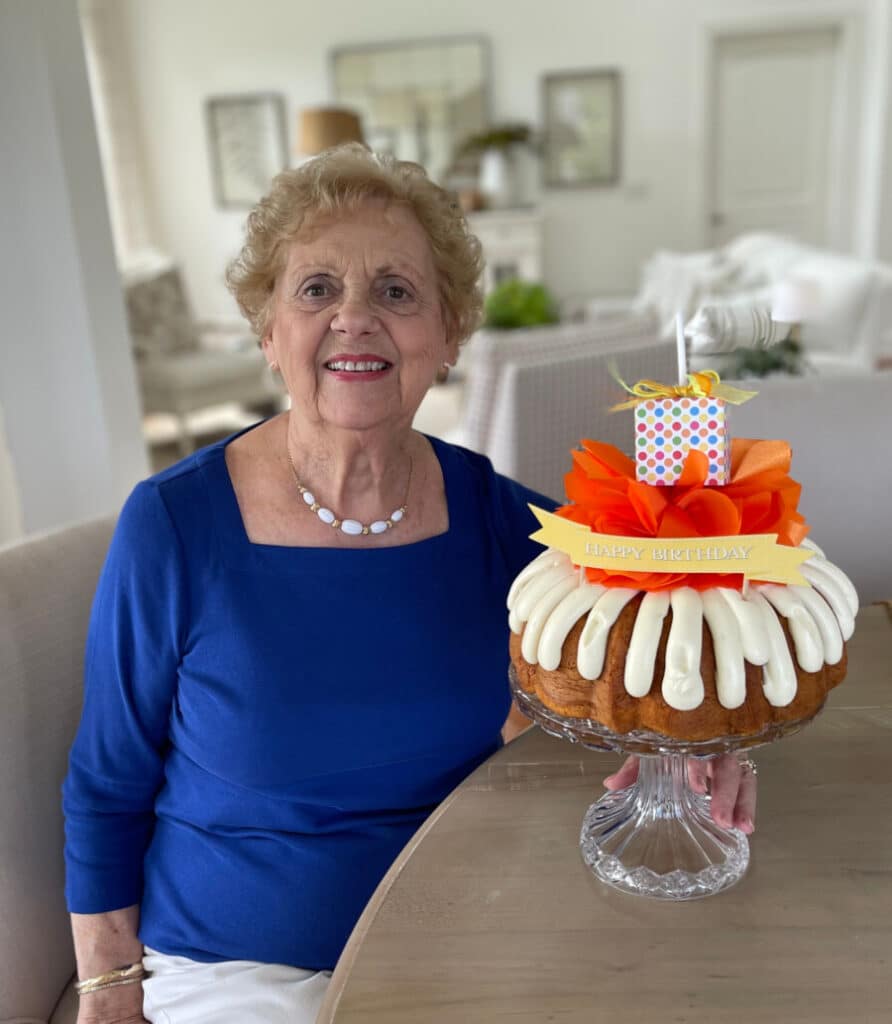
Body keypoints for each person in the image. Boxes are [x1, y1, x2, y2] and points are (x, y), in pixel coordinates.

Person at [63, 145, 757, 1024]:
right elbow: (106, 783)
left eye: (396, 292)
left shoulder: (500, 518)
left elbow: (658, 624)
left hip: (470, 939)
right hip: (237, 968)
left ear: (449, 334)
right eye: (316, 289)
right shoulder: (172, 526)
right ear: (269, 331)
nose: (355, 319)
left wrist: (703, 747)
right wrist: (107, 989)